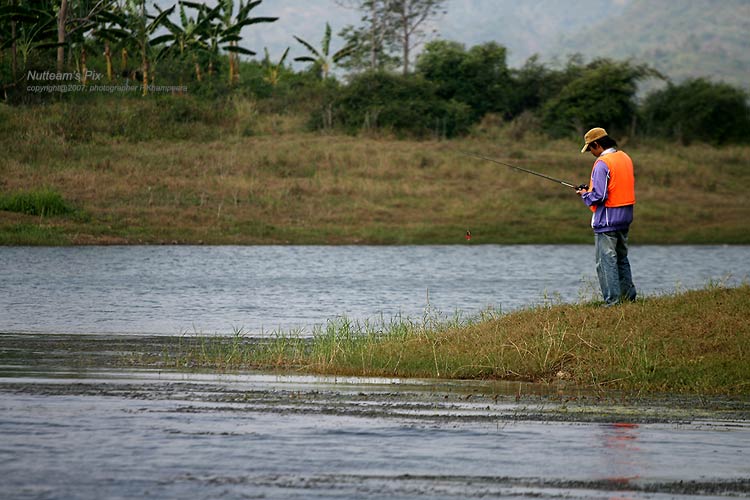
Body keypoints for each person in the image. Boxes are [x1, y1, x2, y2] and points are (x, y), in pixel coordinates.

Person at [576, 127, 637, 305]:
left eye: (590, 149)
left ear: (596, 144)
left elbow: (600, 195)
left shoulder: (603, 163)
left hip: (608, 220)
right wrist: (589, 191)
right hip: (625, 217)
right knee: (621, 258)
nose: (591, 153)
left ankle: (612, 302)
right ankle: (629, 298)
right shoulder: (624, 157)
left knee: (605, 262)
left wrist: (584, 194)